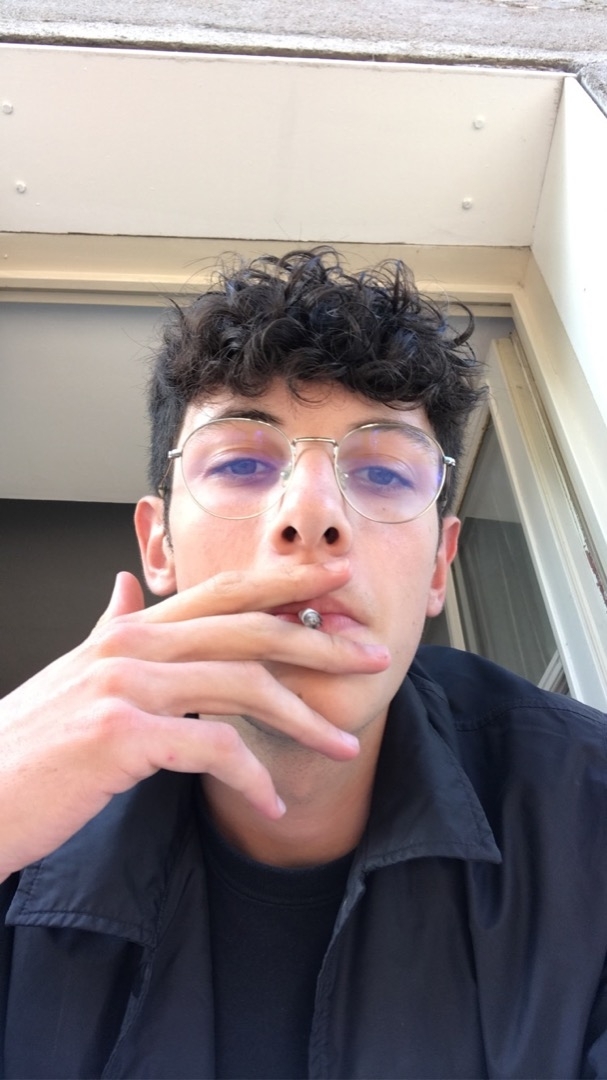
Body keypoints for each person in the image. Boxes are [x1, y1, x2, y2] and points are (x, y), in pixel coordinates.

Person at [1, 247, 606, 1080]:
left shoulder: (589, 816)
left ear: (439, 564)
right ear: (159, 545)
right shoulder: (23, 822)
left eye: (384, 472)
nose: (312, 513)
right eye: (242, 463)